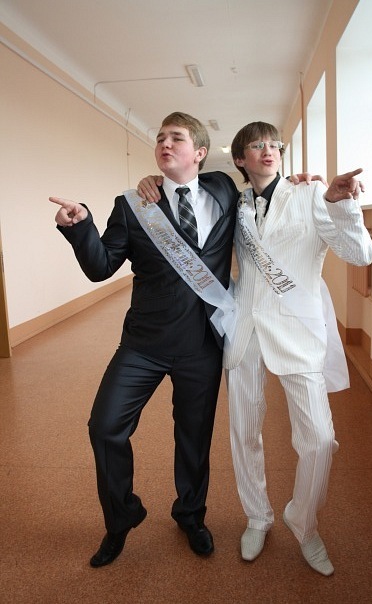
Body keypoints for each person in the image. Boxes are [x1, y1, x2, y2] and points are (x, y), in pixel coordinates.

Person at [49, 111, 240, 567]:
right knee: (105, 426)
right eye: (160, 139)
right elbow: (101, 266)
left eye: (177, 138)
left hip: (201, 344)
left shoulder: (224, 190)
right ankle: (122, 517)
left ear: (199, 152)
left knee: (194, 437)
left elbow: (259, 184)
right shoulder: (133, 205)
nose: (165, 144)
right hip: (144, 343)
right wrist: (80, 226)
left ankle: (190, 515)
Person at [222, 121, 372, 576]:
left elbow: (360, 254)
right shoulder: (234, 204)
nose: (268, 150)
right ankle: (257, 516)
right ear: (240, 159)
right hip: (245, 329)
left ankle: (303, 521)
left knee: (320, 439)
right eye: (257, 145)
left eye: (274, 144)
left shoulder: (310, 195)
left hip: (296, 330)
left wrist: (341, 204)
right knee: (244, 432)